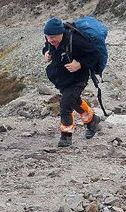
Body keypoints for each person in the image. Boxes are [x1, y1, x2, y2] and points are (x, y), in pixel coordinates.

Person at [43, 17, 101, 147]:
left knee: (65, 104)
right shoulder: (50, 39)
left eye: (53, 37)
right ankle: (92, 120)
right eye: (48, 37)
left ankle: (66, 136)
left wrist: (80, 64)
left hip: (78, 77)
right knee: (73, 101)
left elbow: (95, 55)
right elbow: (47, 47)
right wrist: (46, 53)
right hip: (62, 78)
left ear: (61, 33)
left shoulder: (75, 40)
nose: (50, 40)